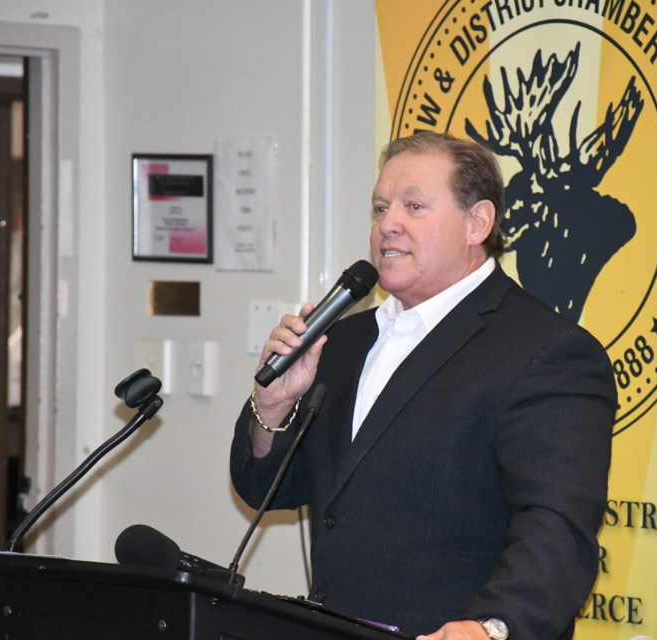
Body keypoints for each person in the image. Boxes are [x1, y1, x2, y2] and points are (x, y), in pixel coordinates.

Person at [230, 132, 616, 640]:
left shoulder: (547, 352)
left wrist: (491, 628)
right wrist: (272, 409)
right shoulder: (341, 341)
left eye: (414, 206)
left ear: (478, 222)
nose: (387, 224)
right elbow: (269, 490)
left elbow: (556, 526)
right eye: (380, 207)